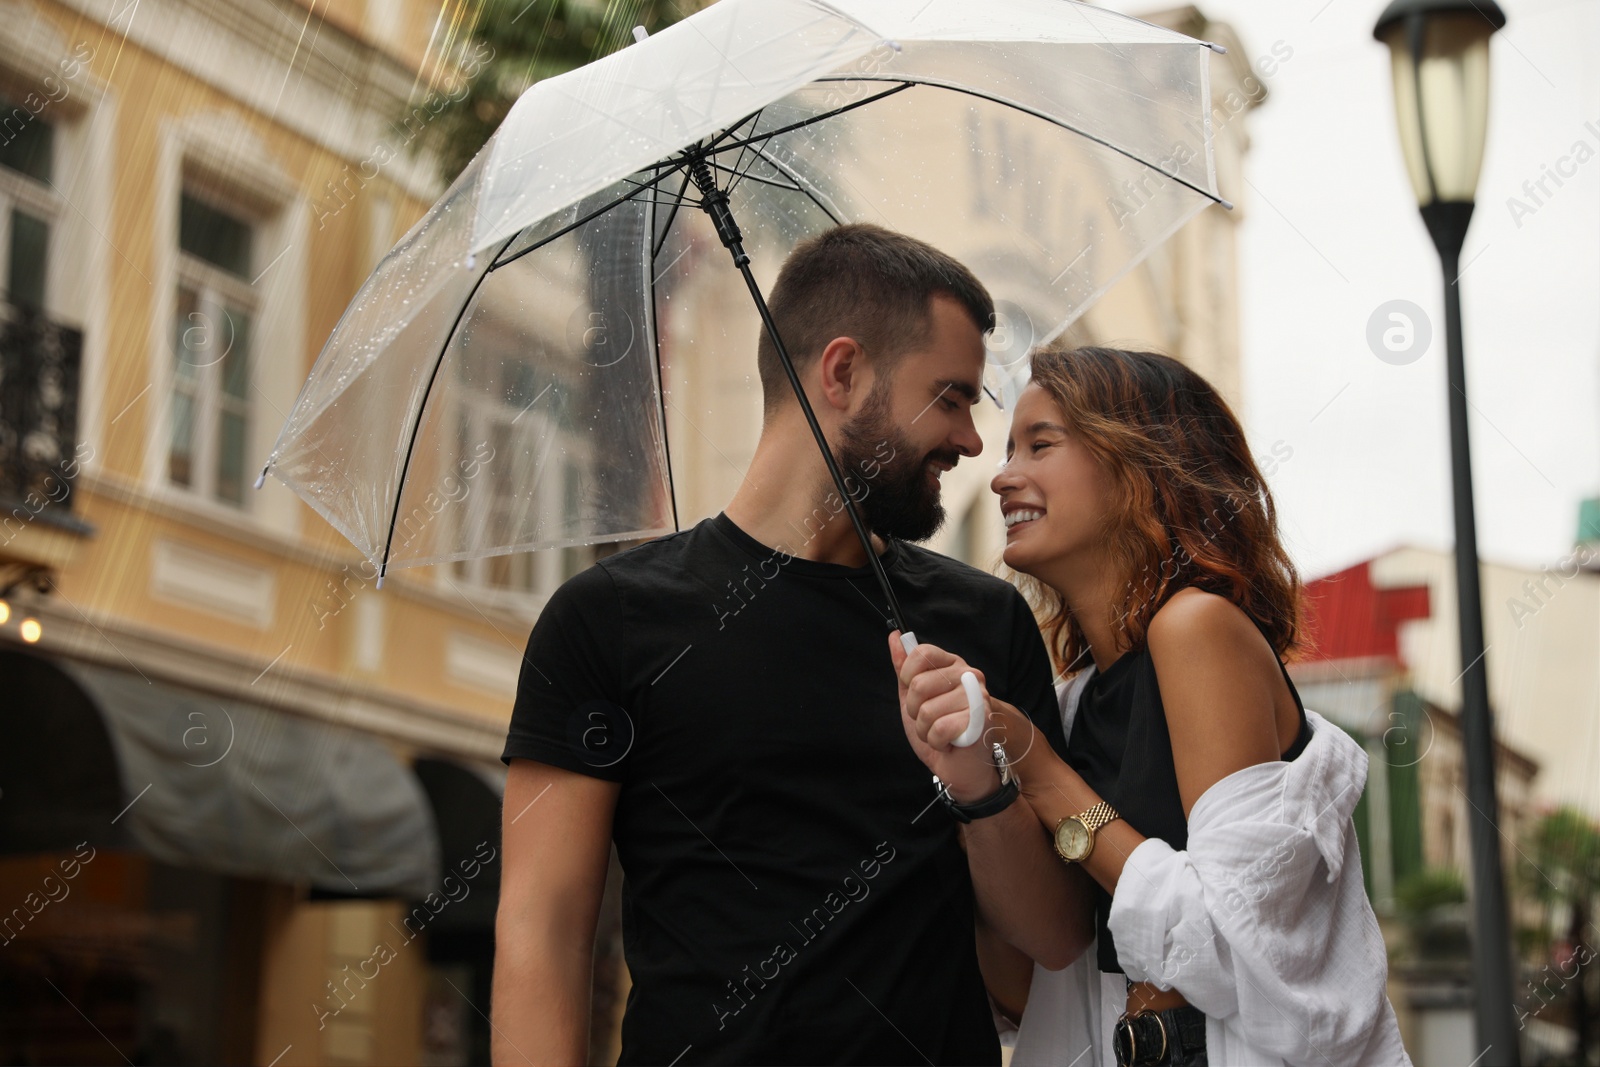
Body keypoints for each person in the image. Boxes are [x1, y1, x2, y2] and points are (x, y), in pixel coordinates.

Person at [492, 224, 1090, 1066]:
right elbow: (541, 933)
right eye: (950, 397)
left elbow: (1055, 938)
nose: (969, 441)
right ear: (842, 373)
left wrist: (978, 787)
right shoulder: (609, 622)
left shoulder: (983, 624)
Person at [897, 345, 1410, 1067]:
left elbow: (1232, 951)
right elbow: (1028, 989)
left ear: (1142, 465)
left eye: (1041, 444)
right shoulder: (1075, 701)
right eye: (1011, 449)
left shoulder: (1196, 629)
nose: (1005, 475)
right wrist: (976, 797)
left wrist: (1040, 772)